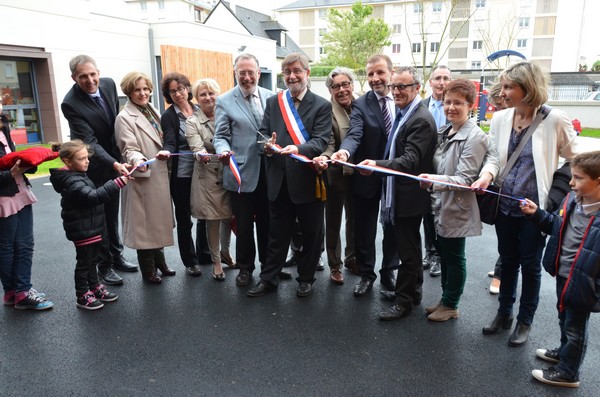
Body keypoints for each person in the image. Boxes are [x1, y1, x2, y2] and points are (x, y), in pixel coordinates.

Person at [474, 61, 580, 346]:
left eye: (510, 87)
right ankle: (504, 313)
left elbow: (575, 160)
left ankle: (525, 321)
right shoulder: (500, 119)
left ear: (528, 88)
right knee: (507, 261)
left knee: (530, 265)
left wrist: (554, 198)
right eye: (504, 86)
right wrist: (486, 177)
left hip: (535, 211)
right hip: (505, 205)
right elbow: (495, 159)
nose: (503, 92)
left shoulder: (555, 119)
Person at [246, 52, 331, 298]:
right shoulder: (275, 102)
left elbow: (321, 140)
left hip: (307, 180)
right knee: (277, 235)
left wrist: (299, 149)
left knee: (312, 234)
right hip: (278, 180)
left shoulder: (322, 105)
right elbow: (262, 134)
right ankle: (269, 279)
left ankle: (306, 278)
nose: (292, 76)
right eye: (287, 72)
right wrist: (267, 146)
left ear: (307, 73)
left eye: (296, 71)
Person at [357, 66, 437, 321]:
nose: (397, 91)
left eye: (403, 86)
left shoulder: (420, 119)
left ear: (417, 88)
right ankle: (412, 293)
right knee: (411, 246)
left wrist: (376, 165)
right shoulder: (406, 114)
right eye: (394, 87)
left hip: (409, 197)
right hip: (403, 196)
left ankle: (403, 302)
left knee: (408, 251)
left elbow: (409, 162)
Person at [521, 151, 600, 388]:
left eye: (578, 178)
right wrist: (537, 215)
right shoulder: (572, 200)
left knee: (575, 326)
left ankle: (568, 372)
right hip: (564, 273)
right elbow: (557, 225)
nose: (571, 183)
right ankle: (565, 353)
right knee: (564, 318)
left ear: (597, 181)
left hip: (585, 280)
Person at [61, 54, 137, 287]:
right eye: (83, 76)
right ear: (74, 78)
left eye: (93, 74)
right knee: (100, 217)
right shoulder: (70, 103)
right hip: (94, 164)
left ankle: (116, 256)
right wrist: (113, 163)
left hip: (114, 158)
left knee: (112, 214)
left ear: (99, 72)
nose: (90, 80)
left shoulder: (109, 84)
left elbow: (115, 122)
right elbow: (90, 141)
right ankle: (104, 266)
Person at [418, 79, 489, 321]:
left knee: (455, 257)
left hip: (455, 206)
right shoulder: (445, 131)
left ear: (471, 105)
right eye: (447, 102)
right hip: (439, 204)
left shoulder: (475, 137)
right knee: (445, 253)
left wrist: (432, 180)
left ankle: (451, 304)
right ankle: (445, 299)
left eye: (458, 103)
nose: (451, 107)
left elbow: (465, 179)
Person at [330, 54, 399, 296]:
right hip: (367, 174)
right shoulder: (362, 104)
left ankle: (389, 272)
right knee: (365, 229)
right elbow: (355, 133)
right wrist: (345, 152)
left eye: (380, 72)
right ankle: (367, 275)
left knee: (392, 227)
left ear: (391, 72)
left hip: (395, 176)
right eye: (370, 74)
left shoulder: (402, 100)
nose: (375, 78)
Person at [213, 53, 283, 287]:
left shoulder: (271, 97)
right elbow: (220, 136)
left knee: (269, 224)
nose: (246, 77)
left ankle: (269, 267)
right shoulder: (224, 100)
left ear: (258, 73)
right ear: (235, 74)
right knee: (243, 225)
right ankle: (245, 268)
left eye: (250, 72)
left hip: (270, 170)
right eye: (241, 73)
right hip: (240, 172)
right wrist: (223, 151)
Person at [49, 140, 126, 310]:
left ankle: (94, 287)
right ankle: (82, 295)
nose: (87, 161)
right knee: (84, 263)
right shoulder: (72, 182)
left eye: (87, 157)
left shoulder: (79, 175)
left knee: (92, 262)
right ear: (68, 162)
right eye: (82, 158)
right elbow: (92, 196)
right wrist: (115, 184)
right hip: (83, 230)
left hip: (91, 227)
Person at [114, 72, 175, 284]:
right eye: (137, 90)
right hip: (143, 177)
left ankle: (161, 262)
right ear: (129, 92)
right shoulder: (124, 117)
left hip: (158, 176)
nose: (142, 93)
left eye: (145, 89)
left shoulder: (153, 110)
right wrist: (137, 160)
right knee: (144, 227)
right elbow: (128, 148)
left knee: (156, 223)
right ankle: (148, 270)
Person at [0, 103, 53, 310]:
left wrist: (29, 165)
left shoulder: (4, 126)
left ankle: (17, 291)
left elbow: (14, 160)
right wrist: (10, 174)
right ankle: (18, 292)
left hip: (19, 191)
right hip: (4, 197)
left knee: (24, 244)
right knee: (7, 248)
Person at [160, 72, 212, 278]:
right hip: (182, 175)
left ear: (188, 89)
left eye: (181, 89)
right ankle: (190, 261)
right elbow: (171, 142)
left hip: (203, 170)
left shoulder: (200, 109)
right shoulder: (169, 116)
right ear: (168, 94)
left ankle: (205, 253)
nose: (178, 93)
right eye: (173, 91)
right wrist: (166, 150)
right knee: (184, 219)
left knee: (204, 214)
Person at [186, 78, 234, 281]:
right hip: (208, 175)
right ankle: (216, 261)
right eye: (203, 94)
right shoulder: (192, 121)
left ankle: (225, 252)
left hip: (230, 171)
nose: (208, 97)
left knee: (228, 216)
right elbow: (196, 147)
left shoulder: (227, 114)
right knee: (213, 218)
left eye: (211, 93)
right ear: (197, 98)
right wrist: (202, 154)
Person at [313, 67, 358, 285]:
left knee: (355, 219)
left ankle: (352, 258)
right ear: (330, 90)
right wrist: (325, 156)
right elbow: (328, 142)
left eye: (345, 84)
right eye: (335, 86)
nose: (341, 90)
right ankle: (335, 265)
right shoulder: (326, 110)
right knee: (333, 221)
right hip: (334, 173)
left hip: (359, 173)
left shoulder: (361, 106)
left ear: (352, 85)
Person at [421, 65, 452, 277]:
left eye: (446, 78)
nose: (442, 82)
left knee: (441, 213)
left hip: (446, 168)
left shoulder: (454, 107)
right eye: (438, 78)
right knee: (426, 213)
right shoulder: (422, 106)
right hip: (424, 167)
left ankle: (440, 257)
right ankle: (429, 251)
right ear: (430, 82)